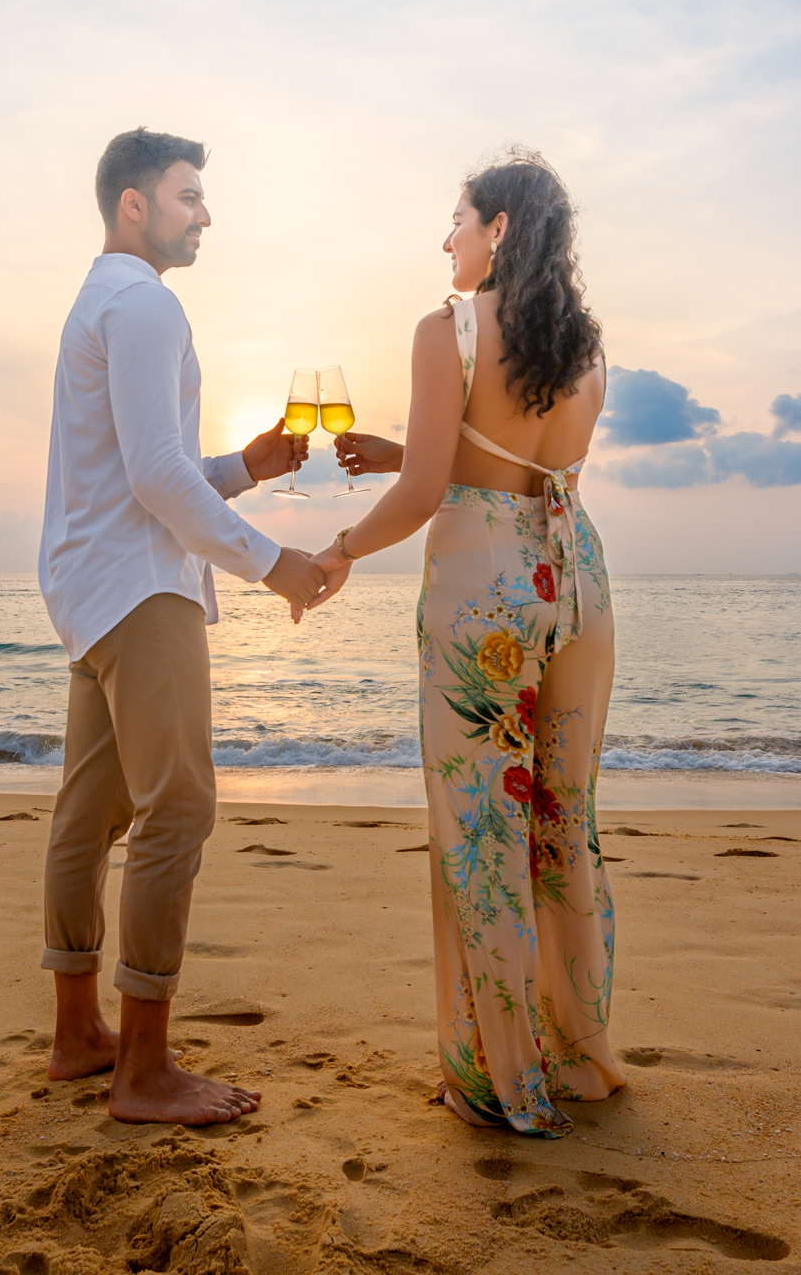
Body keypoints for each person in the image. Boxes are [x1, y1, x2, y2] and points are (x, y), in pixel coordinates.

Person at [305, 148, 624, 1136]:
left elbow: (429, 494)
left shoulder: (446, 329)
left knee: (483, 836)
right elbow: (522, 460)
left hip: (486, 585)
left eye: (458, 217)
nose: (446, 237)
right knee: (565, 826)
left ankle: (496, 1077)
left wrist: (340, 547)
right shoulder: (586, 347)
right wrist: (414, 452)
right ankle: (578, 1057)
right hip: (576, 578)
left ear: (499, 230)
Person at [36, 126, 325, 1125]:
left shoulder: (98, 301)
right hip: (141, 589)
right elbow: (157, 480)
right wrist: (273, 561)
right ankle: (145, 1069)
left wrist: (245, 468)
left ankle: (80, 1033)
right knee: (181, 809)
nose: (205, 213)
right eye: (189, 195)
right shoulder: (147, 303)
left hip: (92, 586)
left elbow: (140, 473)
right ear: (135, 205)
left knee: (91, 811)